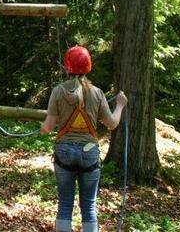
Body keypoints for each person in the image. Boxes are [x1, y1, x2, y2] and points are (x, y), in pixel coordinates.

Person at [40, 46, 127, 232]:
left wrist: (42, 129)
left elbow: (47, 127)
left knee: (64, 205)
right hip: (89, 152)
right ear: (88, 66)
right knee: (88, 207)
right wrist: (120, 105)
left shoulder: (58, 91)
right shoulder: (97, 93)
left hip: (64, 152)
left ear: (67, 67)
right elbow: (111, 123)